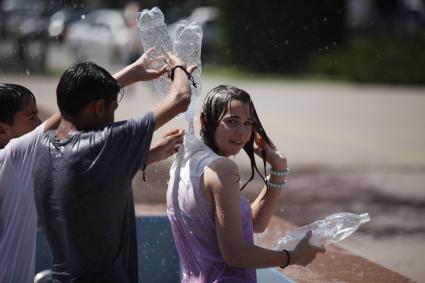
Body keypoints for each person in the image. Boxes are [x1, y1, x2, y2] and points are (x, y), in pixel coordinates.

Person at [33, 49, 196, 282]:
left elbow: (87, 179)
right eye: (112, 108)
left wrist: (151, 154)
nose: (113, 116)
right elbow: (181, 98)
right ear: (99, 108)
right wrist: (178, 66)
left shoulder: (43, 144)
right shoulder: (105, 141)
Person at [167, 85, 324, 282]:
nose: (242, 133)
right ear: (205, 120)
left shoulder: (185, 159)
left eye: (248, 123)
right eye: (232, 121)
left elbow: (253, 224)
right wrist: (292, 256)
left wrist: (278, 169)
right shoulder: (222, 169)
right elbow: (235, 254)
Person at [0, 83, 61, 283]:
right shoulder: (11, 158)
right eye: (31, 118)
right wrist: (127, 76)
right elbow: (72, 115)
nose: (39, 123)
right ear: (2, 128)